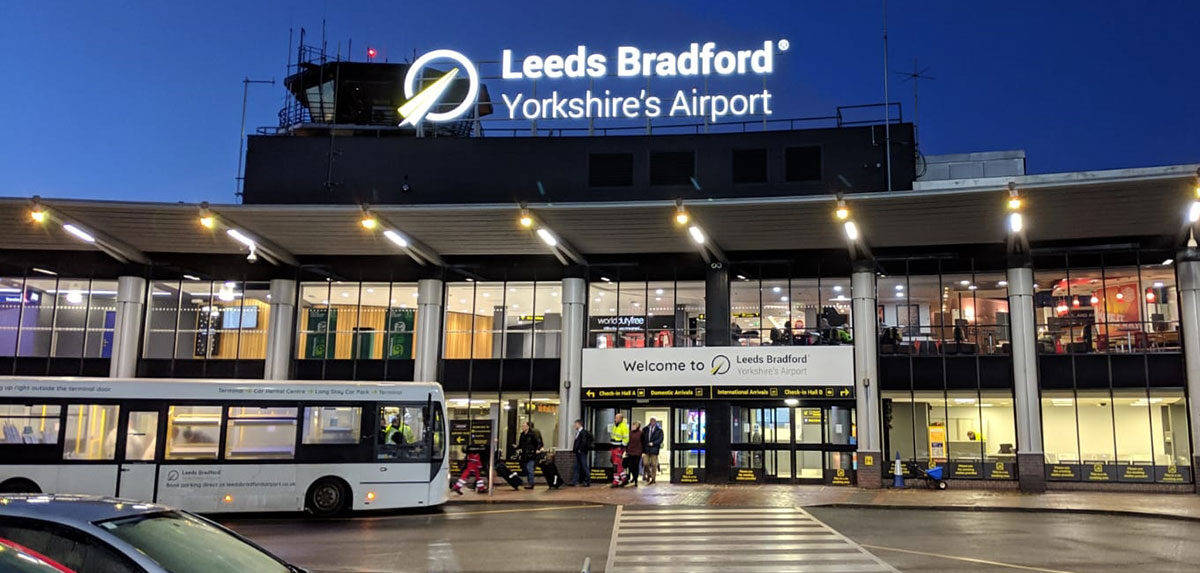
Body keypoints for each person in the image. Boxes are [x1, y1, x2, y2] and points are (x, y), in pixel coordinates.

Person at [516, 421, 543, 490]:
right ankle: (529, 483)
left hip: (531, 454)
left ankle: (531, 483)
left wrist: (538, 449)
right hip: (524, 455)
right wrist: (517, 447)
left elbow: (538, 442)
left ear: (528, 427)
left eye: (524, 426)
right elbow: (521, 444)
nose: (523, 427)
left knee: (529, 468)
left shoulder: (532, 434)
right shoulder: (522, 435)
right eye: (522, 426)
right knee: (526, 469)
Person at [570, 419, 593, 487]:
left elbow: (583, 442)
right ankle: (575, 481)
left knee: (584, 465)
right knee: (576, 466)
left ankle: (587, 480)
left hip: (581, 452)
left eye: (576, 424)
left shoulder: (583, 432)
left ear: (579, 424)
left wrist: (580, 449)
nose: (575, 426)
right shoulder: (578, 432)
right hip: (578, 452)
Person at [609, 413, 629, 487]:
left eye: (617, 418)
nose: (615, 419)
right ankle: (624, 478)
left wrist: (621, 447)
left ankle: (616, 481)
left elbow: (626, 438)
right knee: (618, 464)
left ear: (621, 419)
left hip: (619, 448)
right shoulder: (615, 426)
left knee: (616, 464)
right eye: (615, 418)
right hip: (613, 447)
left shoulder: (624, 426)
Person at [642, 417, 663, 484]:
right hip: (646, 449)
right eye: (651, 421)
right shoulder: (645, 429)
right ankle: (649, 474)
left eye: (653, 421)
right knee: (645, 463)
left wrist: (653, 443)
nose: (652, 422)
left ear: (655, 422)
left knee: (654, 464)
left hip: (654, 449)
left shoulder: (659, 430)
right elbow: (642, 439)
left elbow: (660, 439)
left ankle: (653, 479)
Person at [626, 421, 644, 487]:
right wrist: (626, 450)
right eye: (632, 425)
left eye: (634, 425)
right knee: (630, 466)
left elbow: (643, 442)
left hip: (637, 452)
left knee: (636, 466)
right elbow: (628, 442)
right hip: (630, 451)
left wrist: (643, 452)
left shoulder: (641, 433)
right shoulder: (630, 433)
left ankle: (636, 480)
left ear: (637, 426)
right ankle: (634, 476)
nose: (633, 426)